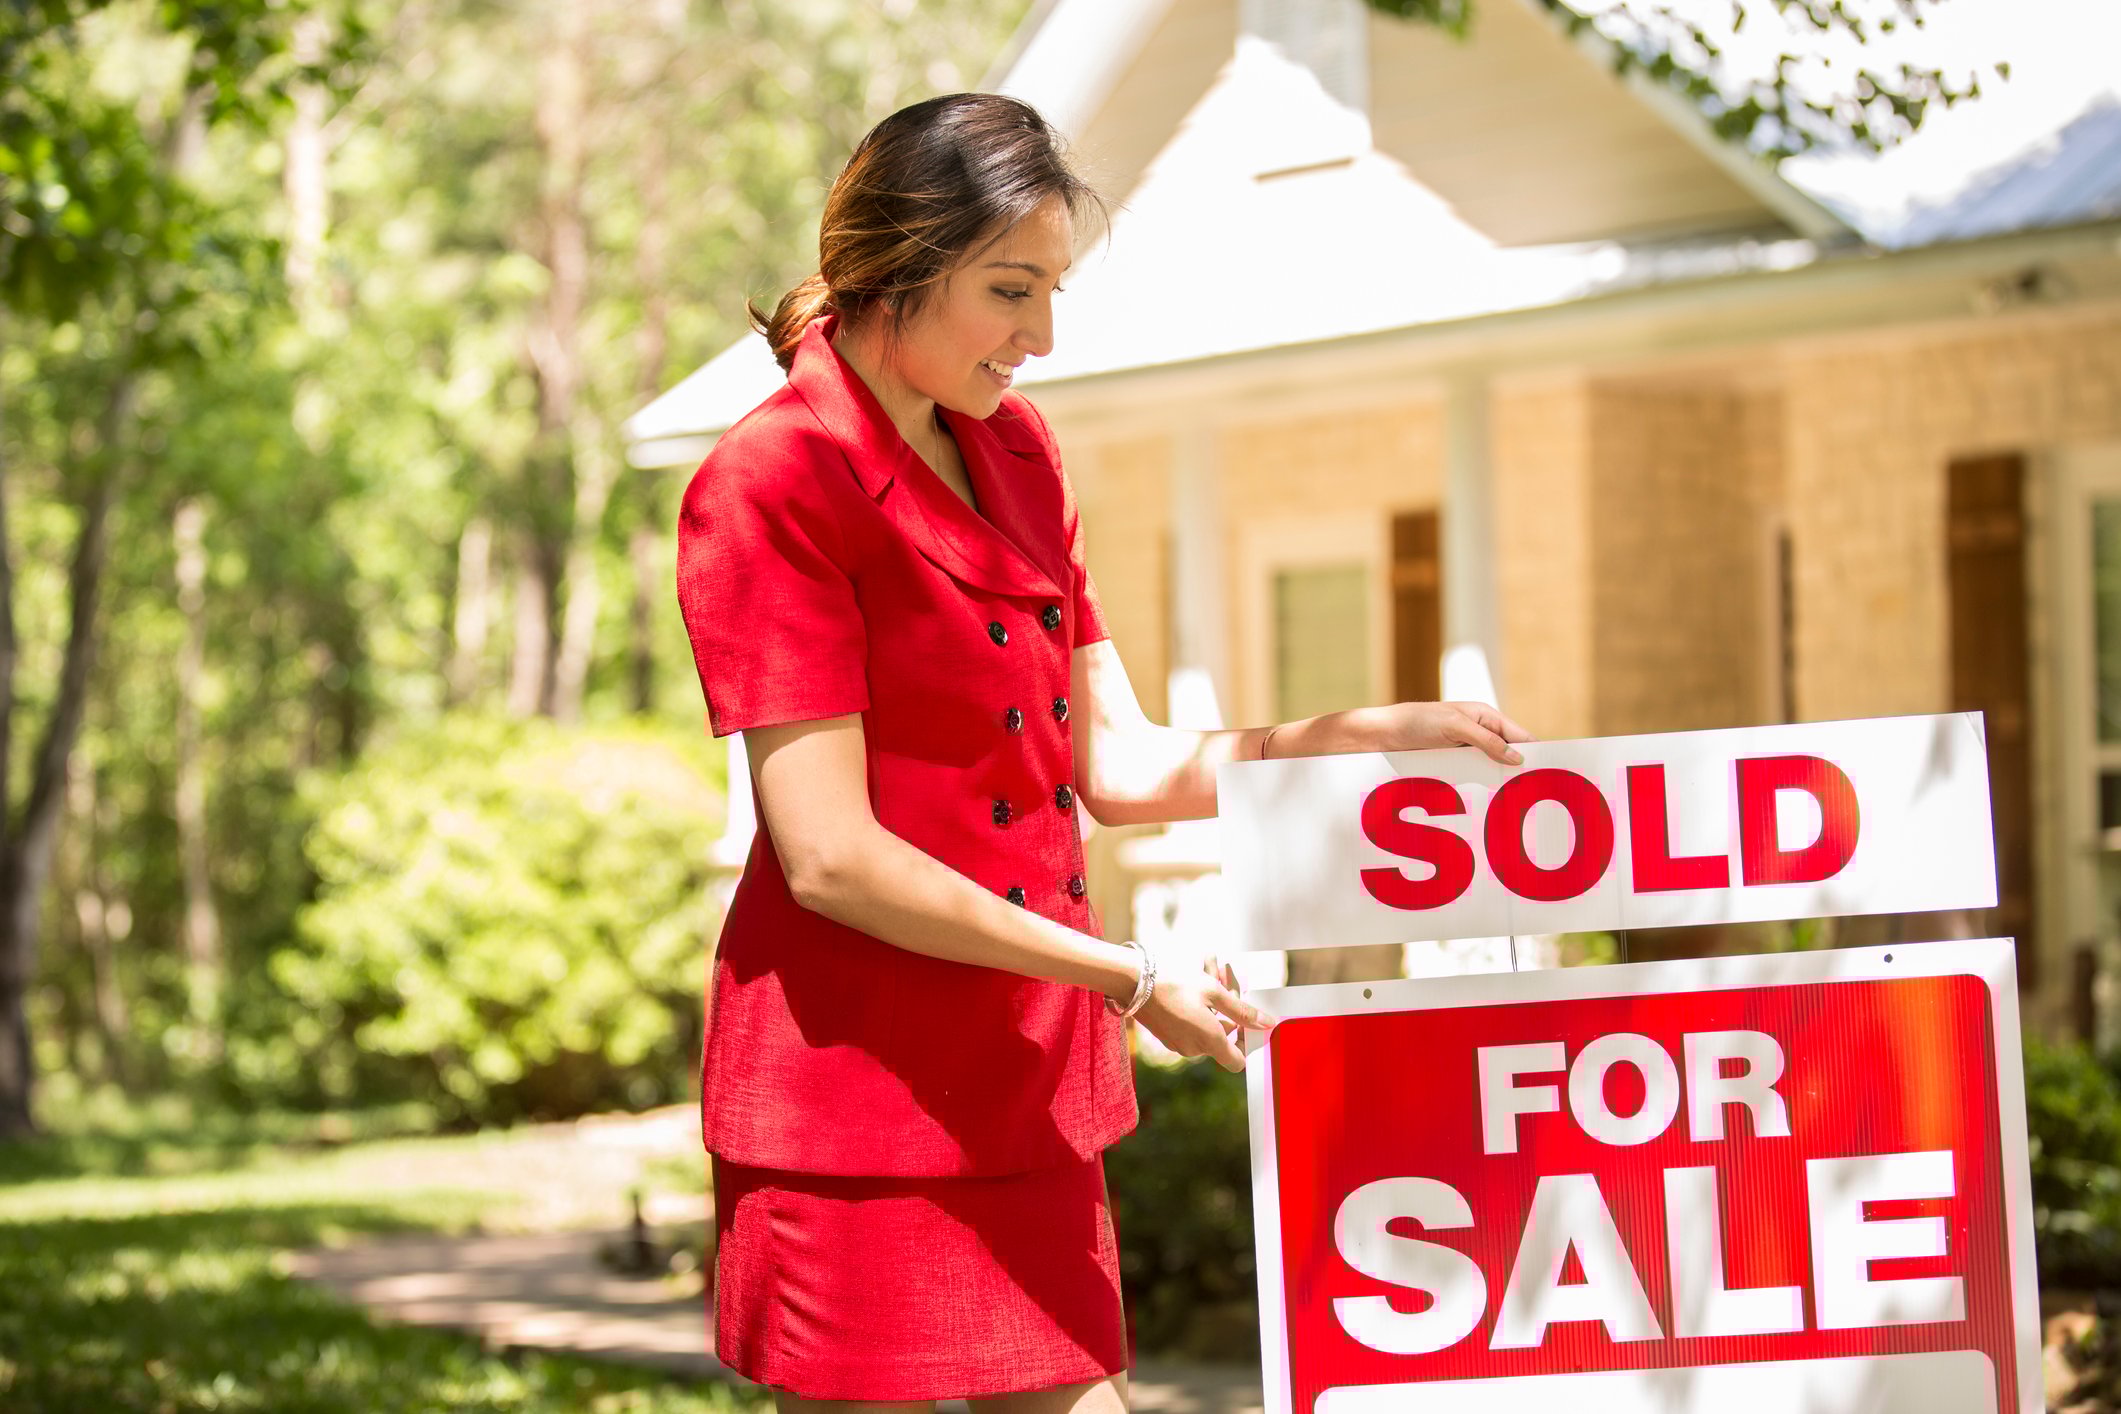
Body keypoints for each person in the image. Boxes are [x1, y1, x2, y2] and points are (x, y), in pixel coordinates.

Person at [674, 91, 1529, 1414]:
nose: (1045, 336)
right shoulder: (774, 479)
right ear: (901, 264)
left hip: (1023, 1082)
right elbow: (832, 857)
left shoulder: (1017, 451)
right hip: (852, 1102)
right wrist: (1131, 975)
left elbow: (1117, 761)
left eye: (1053, 289)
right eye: (1013, 289)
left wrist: (1353, 736)